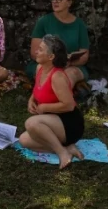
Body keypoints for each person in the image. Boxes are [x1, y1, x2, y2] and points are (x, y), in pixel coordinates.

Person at [21, 35, 84, 170]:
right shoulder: (40, 68)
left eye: (41, 49)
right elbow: (38, 87)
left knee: (31, 123)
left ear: (51, 57)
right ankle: (66, 148)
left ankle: (62, 153)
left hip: (70, 123)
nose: (36, 51)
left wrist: (44, 107)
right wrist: (31, 99)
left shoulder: (57, 76)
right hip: (53, 120)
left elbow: (69, 105)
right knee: (24, 140)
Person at [27, 0, 90, 89]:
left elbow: (84, 56)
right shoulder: (43, 21)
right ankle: (53, 98)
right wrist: (55, 62)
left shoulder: (79, 24)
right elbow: (34, 53)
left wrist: (69, 62)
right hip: (47, 64)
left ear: (69, 2)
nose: (55, 1)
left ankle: (59, 100)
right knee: (50, 74)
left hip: (72, 65)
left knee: (69, 75)